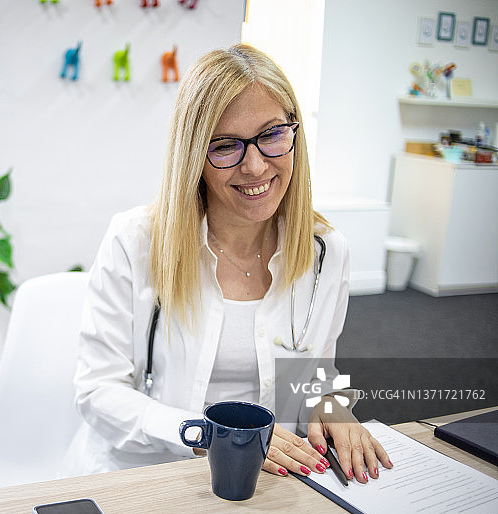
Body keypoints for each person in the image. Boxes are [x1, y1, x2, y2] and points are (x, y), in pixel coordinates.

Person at [60, 44, 392, 484]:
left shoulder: (325, 253)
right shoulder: (135, 241)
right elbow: (98, 391)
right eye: (225, 146)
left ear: (294, 134)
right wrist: (207, 435)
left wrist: (331, 407)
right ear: (193, 156)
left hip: (267, 481)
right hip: (144, 476)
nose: (254, 166)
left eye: (271, 135)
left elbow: (315, 374)